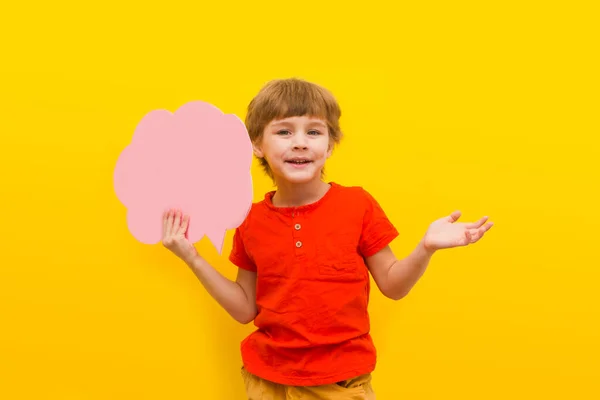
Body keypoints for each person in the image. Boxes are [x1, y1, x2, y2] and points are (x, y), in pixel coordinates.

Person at [161, 78, 493, 399]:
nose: (300, 142)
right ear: (257, 145)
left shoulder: (358, 205)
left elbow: (393, 286)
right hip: (267, 382)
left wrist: (426, 248)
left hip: (341, 383)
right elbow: (244, 309)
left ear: (330, 145)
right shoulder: (250, 220)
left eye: (314, 131)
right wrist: (191, 257)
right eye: (284, 131)